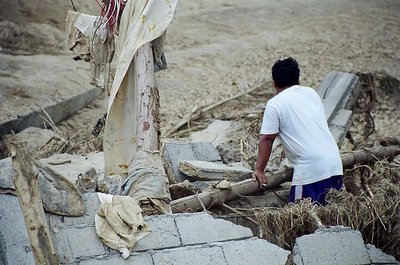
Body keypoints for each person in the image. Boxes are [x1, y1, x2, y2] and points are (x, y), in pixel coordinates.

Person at [253, 57, 343, 205]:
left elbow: (267, 138)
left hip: (310, 170)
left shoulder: (275, 104)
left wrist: (259, 170)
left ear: (274, 83)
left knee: (300, 222)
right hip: (334, 164)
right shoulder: (311, 93)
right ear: (298, 79)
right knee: (332, 221)